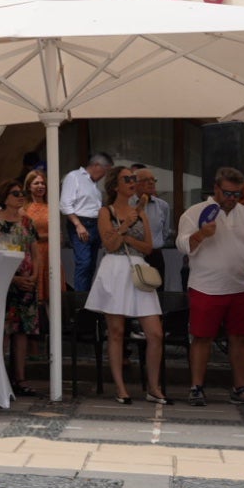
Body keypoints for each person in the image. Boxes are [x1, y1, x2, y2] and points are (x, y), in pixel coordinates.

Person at [175, 167, 244, 407]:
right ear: (216, 189)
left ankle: (240, 387)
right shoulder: (195, 213)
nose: (232, 198)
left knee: (240, 338)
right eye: (227, 193)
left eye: (237, 194)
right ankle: (196, 388)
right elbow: (182, 245)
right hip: (206, 286)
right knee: (202, 337)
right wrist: (201, 234)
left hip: (243, 285)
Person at [85, 167, 168, 404]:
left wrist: (128, 236)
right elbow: (109, 244)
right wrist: (123, 226)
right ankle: (120, 388)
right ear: (115, 186)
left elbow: (148, 247)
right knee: (116, 331)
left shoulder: (140, 212)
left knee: (155, 333)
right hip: (114, 269)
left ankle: (153, 387)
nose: (133, 182)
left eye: (133, 178)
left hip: (138, 269)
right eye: (127, 179)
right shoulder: (106, 212)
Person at [0, 179, 41, 396]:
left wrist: (35, 276)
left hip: (28, 282)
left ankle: (20, 378)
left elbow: (36, 253)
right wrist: (14, 279)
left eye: (22, 193)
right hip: (6, 283)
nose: (21, 196)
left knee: (22, 331)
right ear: (4, 198)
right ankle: (1, 377)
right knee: (4, 330)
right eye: (15, 193)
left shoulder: (28, 222)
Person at [61, 152, 112, 294]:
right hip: (81, 223)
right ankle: (80, 299)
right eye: (105, 171)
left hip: (95, 224)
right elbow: (65, 204)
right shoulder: (74, 177)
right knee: (84, 263)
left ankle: (87, 298)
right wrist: (78, 224)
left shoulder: (93, 184)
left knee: (91, 265)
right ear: (97, 165)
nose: (104, 175)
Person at [130, 166, 172, 279]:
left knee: (157, 289)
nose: (151, 183)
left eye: (153, 180)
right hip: (133, 255)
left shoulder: (163, 206)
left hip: (155, 256)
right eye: (146, 180)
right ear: (135, 184)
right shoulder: (127, 204)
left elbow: (165, 232)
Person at [23, 168, 51, 310]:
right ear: (29, 187)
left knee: (52, 294)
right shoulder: (24, 208)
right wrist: (47, 236)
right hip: (35, 253)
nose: (41, 186)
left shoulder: (51, 207)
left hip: (51, 253)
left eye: (43, 183)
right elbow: (26, 235)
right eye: (36, 183)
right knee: (36, 295)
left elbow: (60, 235)